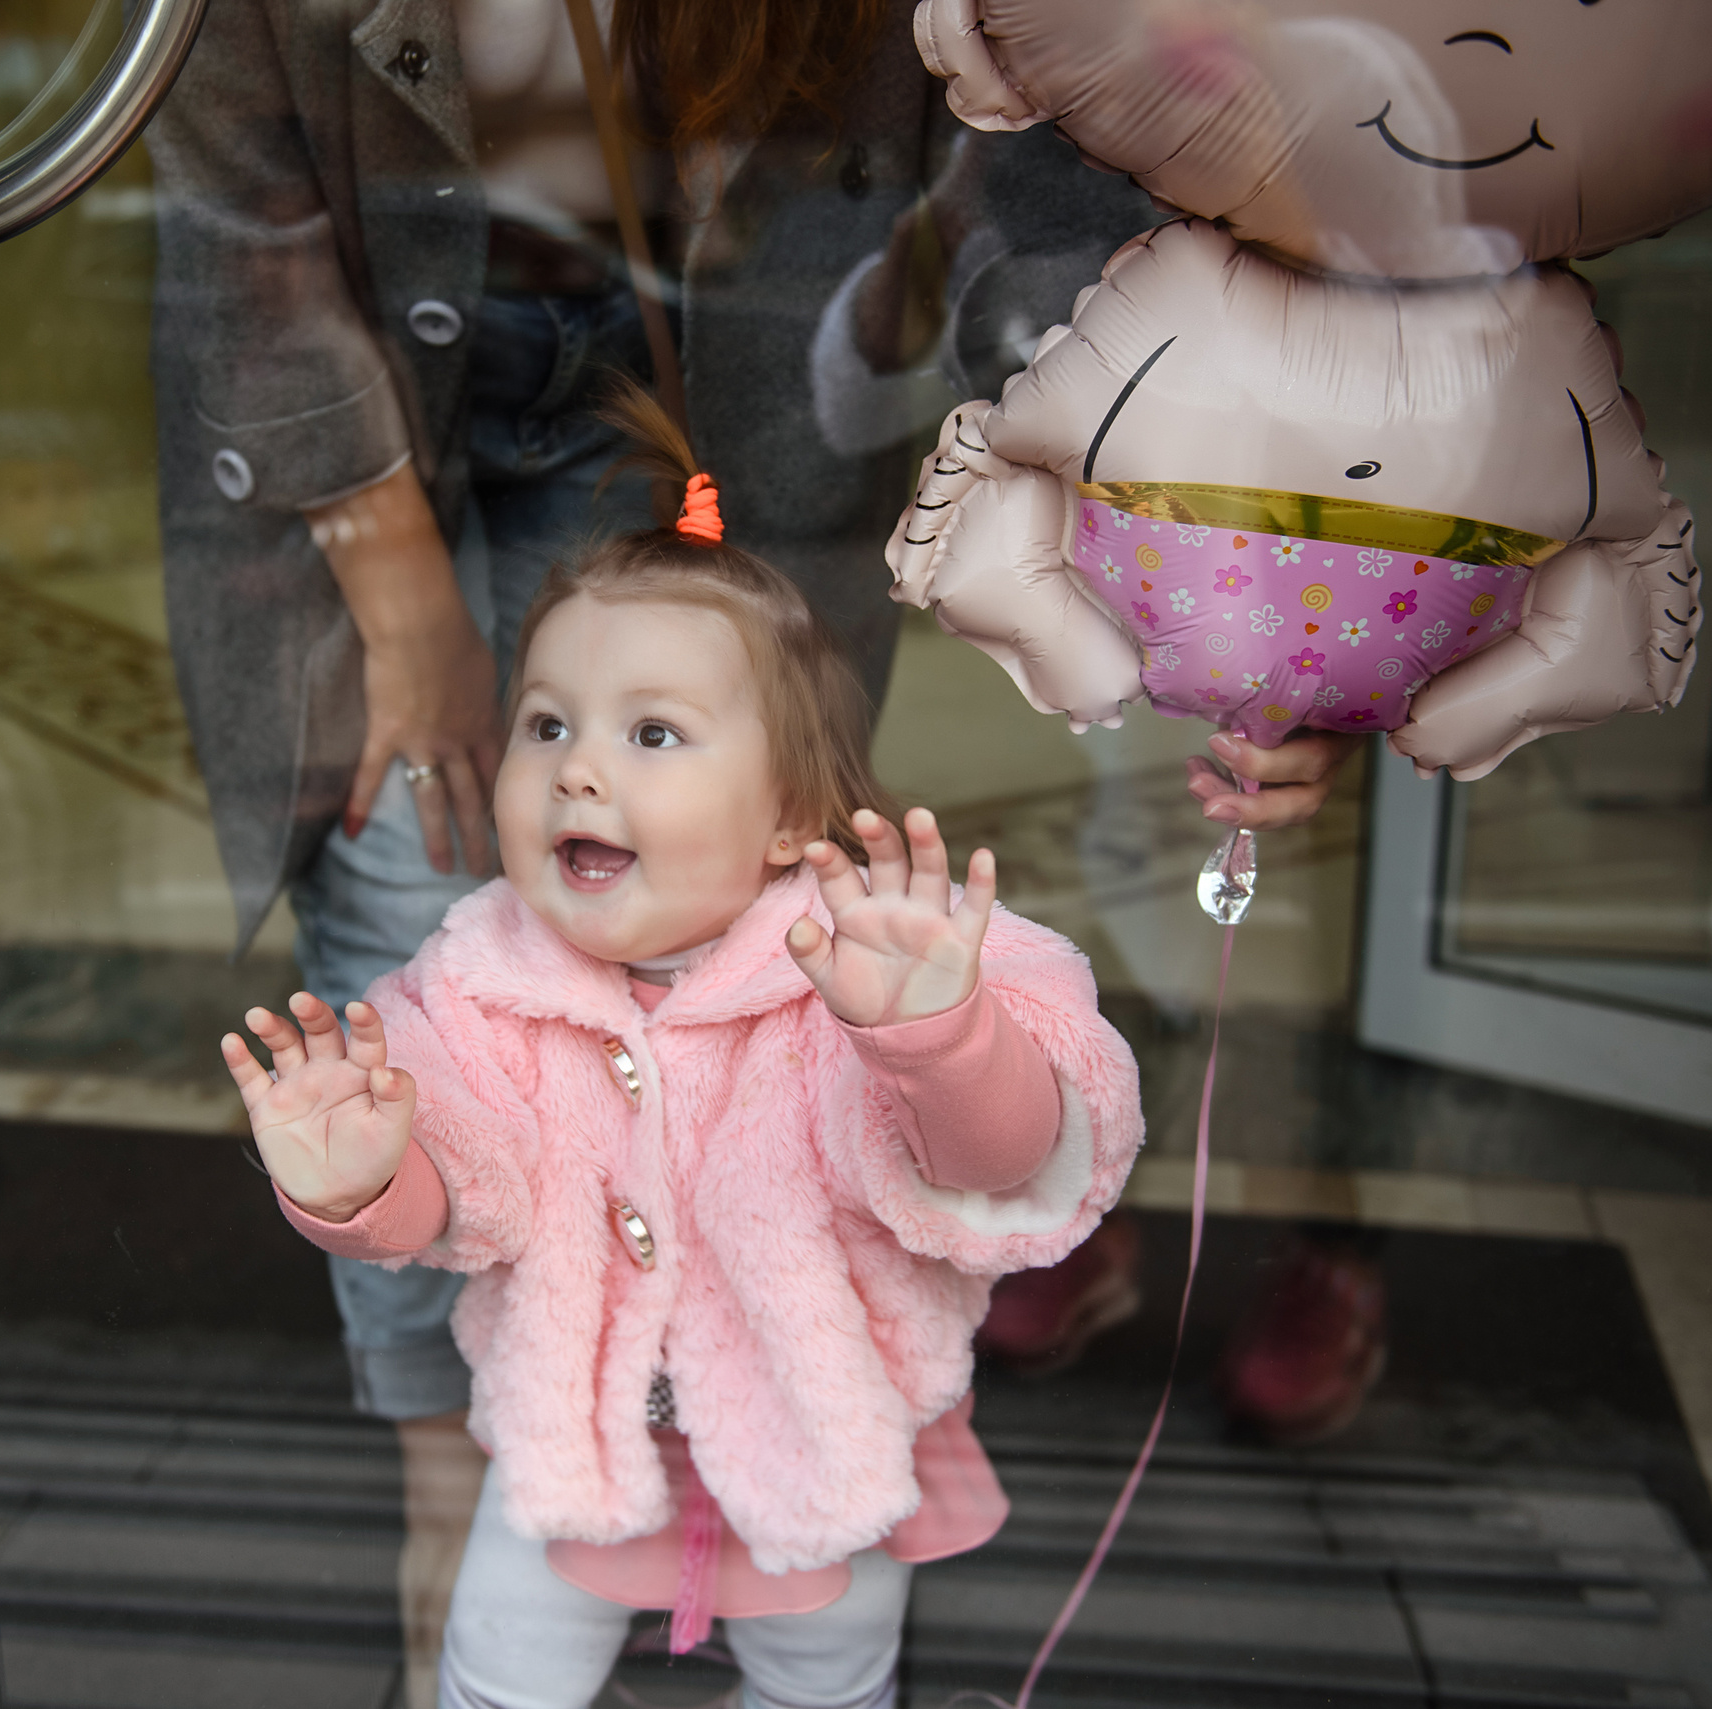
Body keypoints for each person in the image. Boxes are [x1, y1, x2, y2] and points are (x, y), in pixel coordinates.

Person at [222, 389, 1143, 1709]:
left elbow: (1002, 1168)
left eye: (651, 733)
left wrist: (934, 1039)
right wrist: (368, 1176)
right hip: (579, 1436)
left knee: (823, 1684)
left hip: (837, 1432)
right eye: (549, 724)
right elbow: (467, 1194)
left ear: (789, 817)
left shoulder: (874, 960)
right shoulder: (486, 977)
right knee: (499, 1675)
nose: (582, 769)